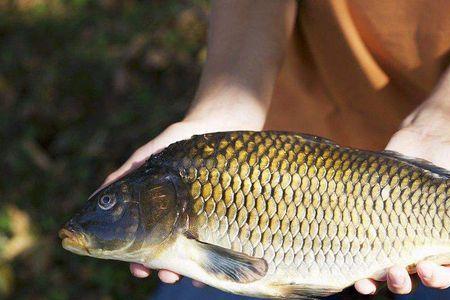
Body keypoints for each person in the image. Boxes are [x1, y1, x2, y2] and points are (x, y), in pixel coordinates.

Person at [102, 1, 450, 296]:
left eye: (111, 202)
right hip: (282, 126)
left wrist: (442, 117)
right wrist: (226, 104)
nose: (110, 208)